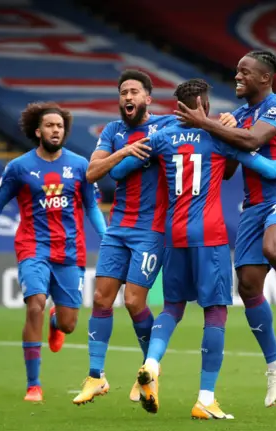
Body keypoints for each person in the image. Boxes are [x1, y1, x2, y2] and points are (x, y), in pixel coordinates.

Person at [111, 78, 276, 419]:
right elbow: (270, 168)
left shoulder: (160, 137)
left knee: (172, 307)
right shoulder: (218, 137)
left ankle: (151, 364)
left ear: (180, 105)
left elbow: (117, 171)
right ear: (204, 105)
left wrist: (130, 152)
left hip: (173, 233)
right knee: (215, 313)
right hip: (209, 234)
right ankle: (205, 398)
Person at [73, 70, 237, 405]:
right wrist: (123, 152)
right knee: (102, 299)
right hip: (117, 225)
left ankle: (150, 373)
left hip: (152, 229)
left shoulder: (164, 127)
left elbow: (200, 133)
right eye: (123, 92)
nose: (127, 97)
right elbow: (92, 173)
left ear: (148, 98)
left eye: (134, 91)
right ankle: (96, 376)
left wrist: (221, 124)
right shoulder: (112, 131)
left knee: (134, 302)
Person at [175, 50, 276, 407]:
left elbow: (254, 141)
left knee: (275, 249)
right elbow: (226, 169)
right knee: (249, 286)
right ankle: (275, 364)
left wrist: (209, 125)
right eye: (237, 70)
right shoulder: (239, 115)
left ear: (265, 78)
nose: (237, 76)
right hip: (253, 206)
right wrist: (222, 132)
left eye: (245, 72)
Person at [0, 102, 107, 402]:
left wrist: (108, 238)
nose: (55, 130)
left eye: (60, 126)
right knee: (34, 302)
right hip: (32, 248)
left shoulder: (79, 165)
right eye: (50, 125)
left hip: (70, 253)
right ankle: (33, 385)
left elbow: (90, 207)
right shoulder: (19, 167)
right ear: (38, 131)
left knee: (69, 324)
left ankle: (55, 321)